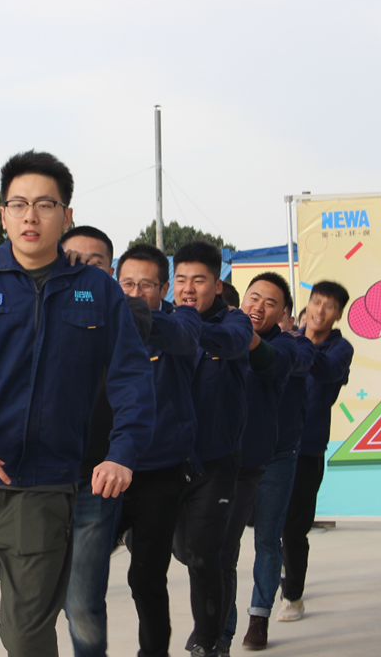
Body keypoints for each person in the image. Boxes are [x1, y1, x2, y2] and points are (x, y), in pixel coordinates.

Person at [0, 150, 156, 657]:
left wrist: (123, 453)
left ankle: (27, 571)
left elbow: (132, 379)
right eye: (18, 204)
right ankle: (11, 563)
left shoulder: (97, 292)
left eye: (45, 205)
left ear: (66, 216)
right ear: (3, 215)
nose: (31, 216)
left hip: (45, 490)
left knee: (26, 638)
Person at [60, 226, 152, 657]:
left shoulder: (125, 309)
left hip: (94, 479)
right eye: (72, 259)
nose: (81, 267)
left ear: (110, 271)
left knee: (81, 601)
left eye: (93, 262)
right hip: (33, 478)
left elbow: (134, 378)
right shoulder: (36, 306)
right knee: (29, 605)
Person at [169, 241, 264, 657]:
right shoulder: (164, 318)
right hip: (170, 460)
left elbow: (231, 342)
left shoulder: (236, 322)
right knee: (185, 550)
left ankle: (211, 640)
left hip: (217, 460)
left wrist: (183, 326)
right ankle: (212, 632)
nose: (188, 289)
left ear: (218, 284)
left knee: (207, 554)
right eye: (181, 279)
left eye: (199, 280)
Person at [116, 243, 202, 657]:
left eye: (146, 285)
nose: (135, 293)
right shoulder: (101, 324)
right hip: (108, 468)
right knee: (82, 573)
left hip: (160, 473)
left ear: (164, 289)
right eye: (126, 284)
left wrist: (126, 315)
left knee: (146, 577)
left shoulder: (181, 321)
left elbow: (182, 336)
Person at [218, 273, 300, 653]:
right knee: (225, 546)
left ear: (283, 314)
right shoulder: (223, 334)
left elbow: (269, 361)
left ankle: (259, 616)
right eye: (254, 298)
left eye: (271, 303)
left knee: (267, 538)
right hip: (231, 457)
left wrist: (239, 330)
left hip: (275, 455)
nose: (259, 307)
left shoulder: (286, 345)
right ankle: (222, 628)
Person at [279, 281, 353, 622]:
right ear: (307, 304)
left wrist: (296, 341)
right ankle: (275, 579)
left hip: (307, 449)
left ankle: (292, 596)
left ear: (338, 314)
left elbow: (326, 370)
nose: (320, 310)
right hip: (271, 445)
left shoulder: (340, 349)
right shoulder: (284, 336)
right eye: (317, 302)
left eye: (330, 306)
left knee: (295, 527)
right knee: (267, 524)